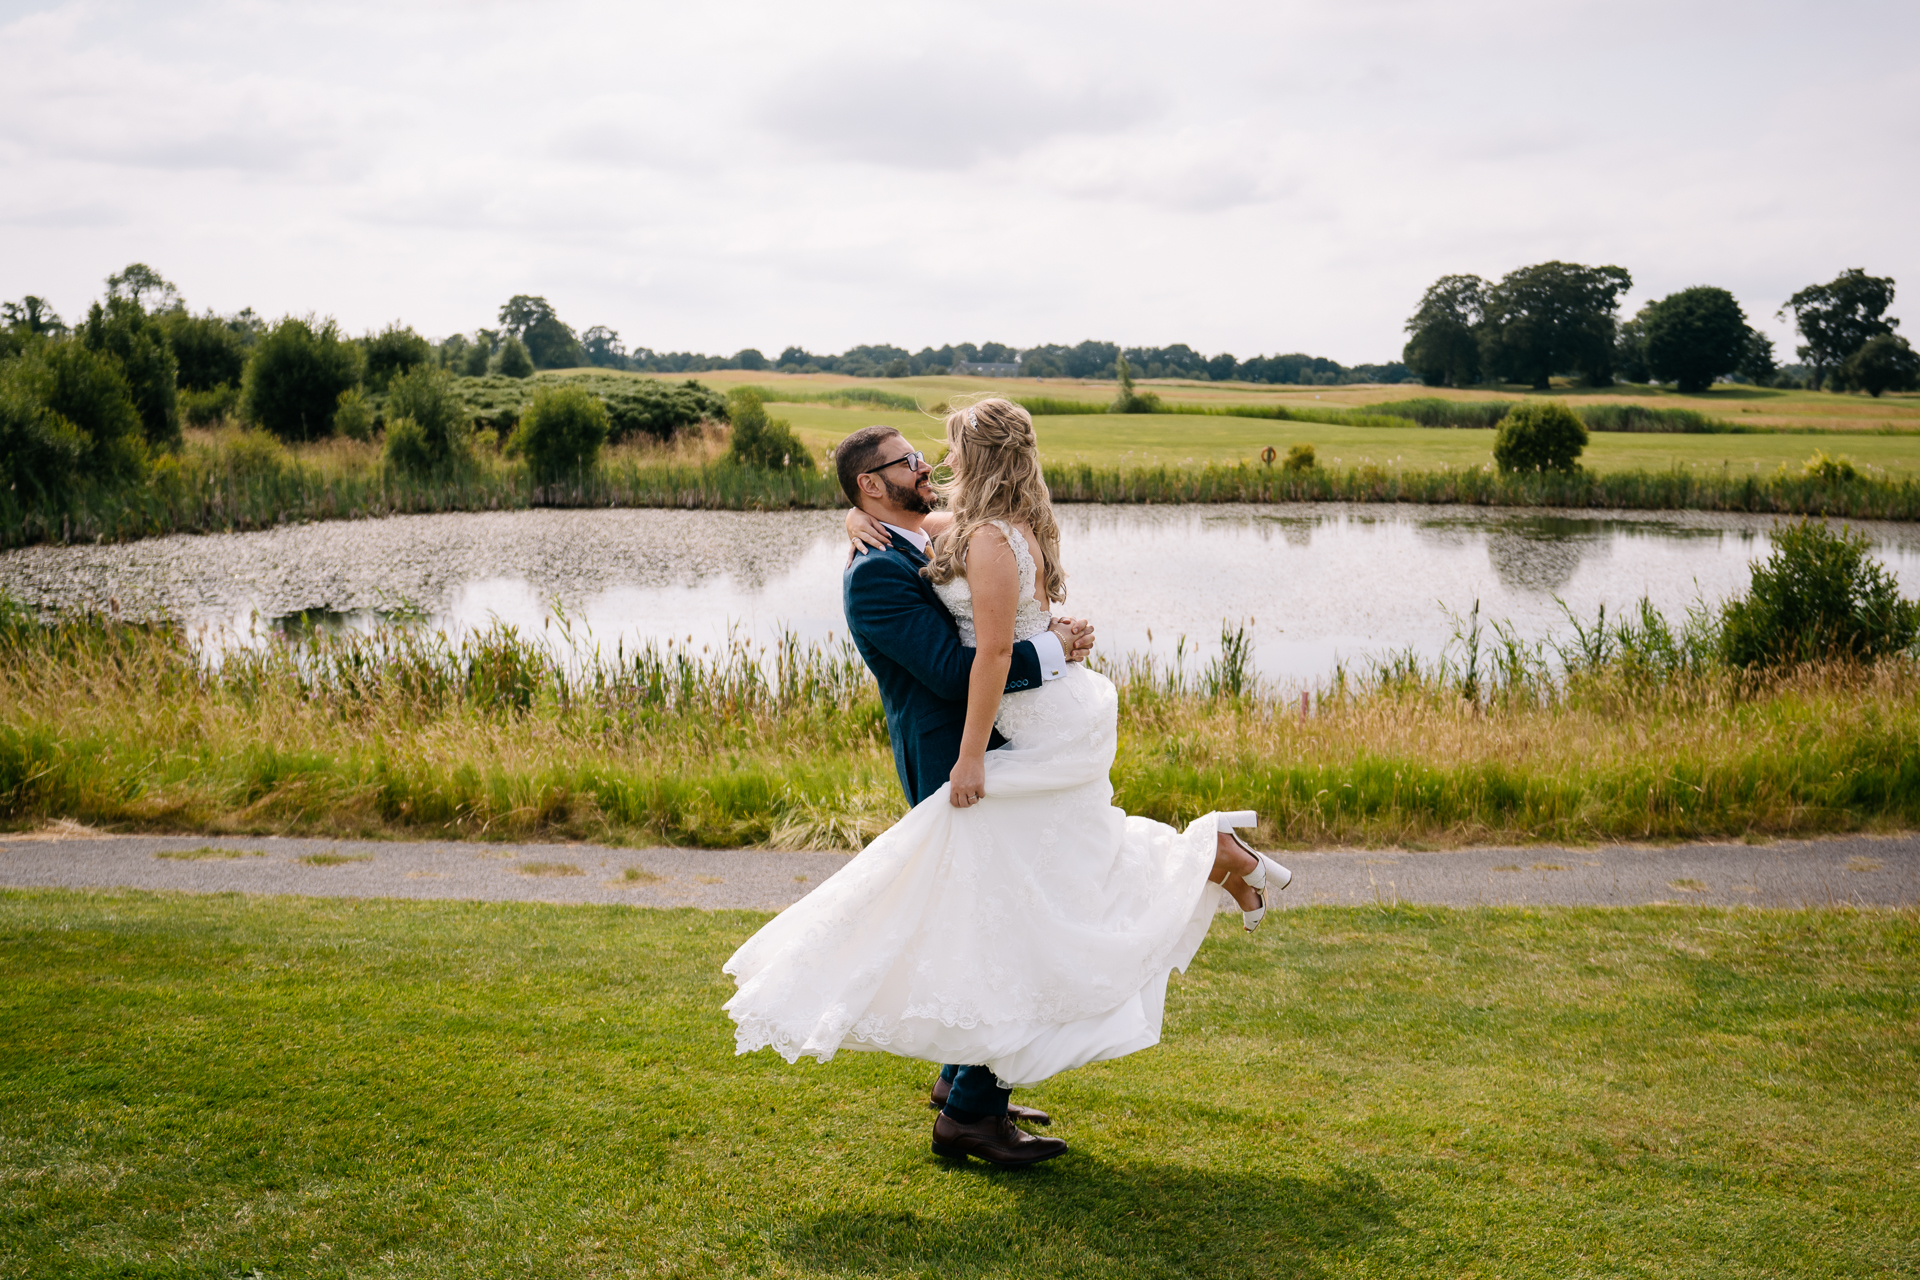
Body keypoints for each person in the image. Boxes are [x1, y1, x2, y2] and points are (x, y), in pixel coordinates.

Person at [723, 400, 1290, 1168]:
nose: (926, 466)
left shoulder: (930, 532)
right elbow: (961, 671)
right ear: (872, 485)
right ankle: (971, 1106)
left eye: (931, 455)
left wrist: (864, 518)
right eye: (907, 463)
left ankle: (969, 1088)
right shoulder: (875, 578)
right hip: (958, 762)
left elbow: (965, 558)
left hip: (1011, 747)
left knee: (1010, 912)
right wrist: (1051, 648)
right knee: (1015, 917)